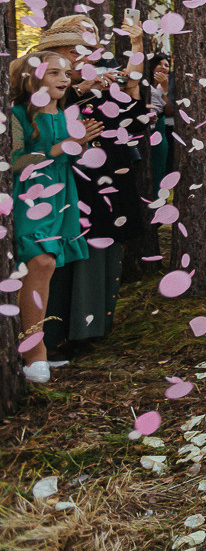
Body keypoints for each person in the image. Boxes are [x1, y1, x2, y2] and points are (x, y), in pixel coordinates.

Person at [34, 15, 148, 366]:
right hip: (69, 177)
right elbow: (39, 122)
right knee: (69, 250)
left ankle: (92, 327)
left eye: (91, 38)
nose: (85, 49)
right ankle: (53, 335)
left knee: (105, 243)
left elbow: (135, 120)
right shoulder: (46, 79)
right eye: (77, 44)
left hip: (110, 172)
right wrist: (82, 89)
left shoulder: (104, 76)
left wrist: (130, 82)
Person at [9, 51, 95, 383]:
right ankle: (35, 353)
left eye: (67, 73)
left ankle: (32, 347)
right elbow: (15, 161)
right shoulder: (17, 113)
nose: (63, 79)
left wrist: (81, 145)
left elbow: (70, 157)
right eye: (54, 73)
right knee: (40, 261)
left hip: (61, 194)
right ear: (33, 77)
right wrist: (61, 147)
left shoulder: (67, 113)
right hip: (29, 195)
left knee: (46, 267)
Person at [146, 53, 175, 191]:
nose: (164, 67)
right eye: (160, 64)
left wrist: (165, 89)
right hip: (141, 127)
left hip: (158, 127)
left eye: (167, 65)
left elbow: (169, 111)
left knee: (159, 166)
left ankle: (159, 195)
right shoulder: (142, 82)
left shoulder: (169, 84)